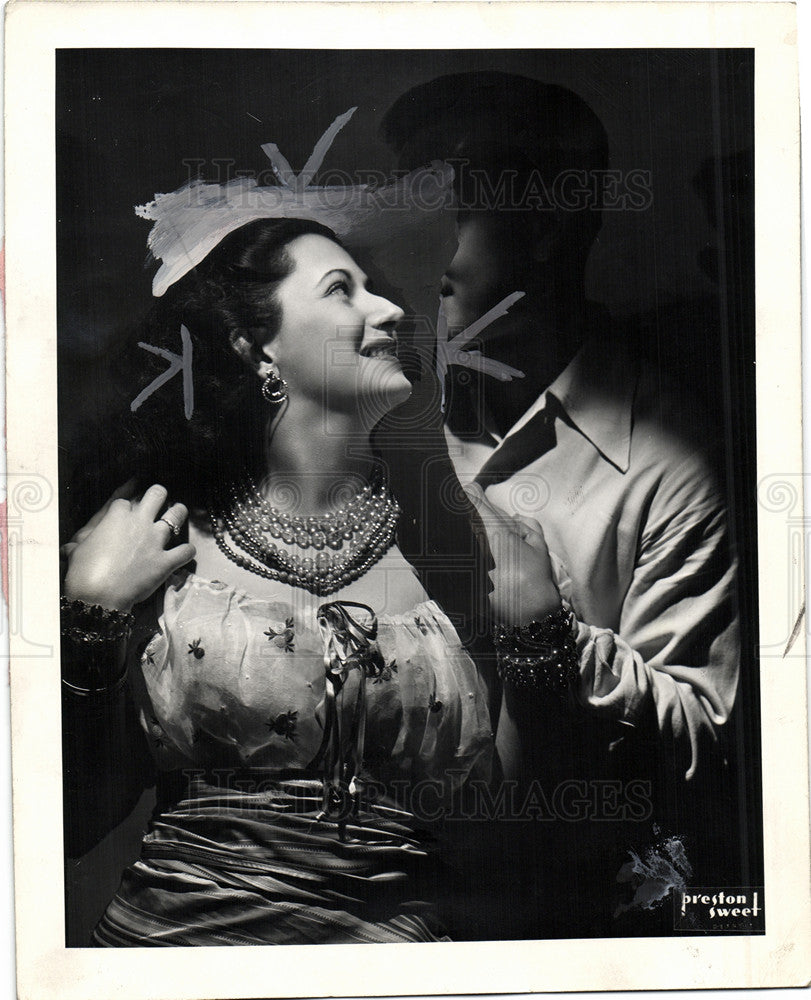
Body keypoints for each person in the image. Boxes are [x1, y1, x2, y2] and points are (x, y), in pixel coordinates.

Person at [60, 209, 497, 946]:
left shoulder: (455, 541)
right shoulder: (155, 541)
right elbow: (74, 823)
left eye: (375, 289)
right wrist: (89, 617)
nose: (388, 309)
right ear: (255, 347)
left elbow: (513, 824)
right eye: (341, 290)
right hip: (167, 960)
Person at [382, 72, 741, 935]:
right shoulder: (371, 402)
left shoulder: (667, 466)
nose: (399, 257)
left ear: (540, 227)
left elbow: (705, 740)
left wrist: (551, 638)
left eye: (439, 219)